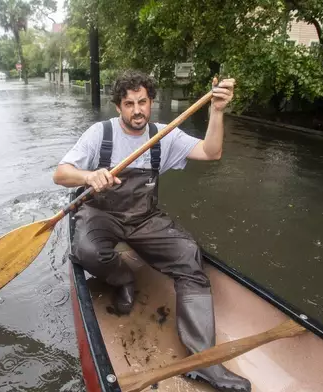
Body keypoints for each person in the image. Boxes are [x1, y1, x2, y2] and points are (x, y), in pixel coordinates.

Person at [53, 70, 250, 391]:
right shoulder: (98, 134)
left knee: (189, 256)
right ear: (118, 107)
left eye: (142, 102)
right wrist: (89, 177)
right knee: (87, 252)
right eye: (129, 104)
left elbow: (211, 152)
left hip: (143, 218)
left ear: (151, 102)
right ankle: (123, 278)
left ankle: (203, 360)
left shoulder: (165, 135)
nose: (137, 110)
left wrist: (216, 112)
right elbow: (61, 175)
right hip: (100, 214)